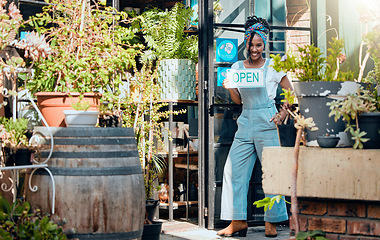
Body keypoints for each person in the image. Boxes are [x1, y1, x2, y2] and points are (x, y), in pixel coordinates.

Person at [216, 15, 292, 238]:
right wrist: (229, 86)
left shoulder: (273, 66)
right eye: (252, 44)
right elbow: (238, 101)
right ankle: (237, 220)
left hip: (267, 122)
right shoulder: (237, 67)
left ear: (264, 45)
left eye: (259, 45)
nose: (255, 49)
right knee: (233, 171)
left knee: (271, 173)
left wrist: (283, 113)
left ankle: (272, 222)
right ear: (246, 43)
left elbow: (290, 90)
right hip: (246, 121)